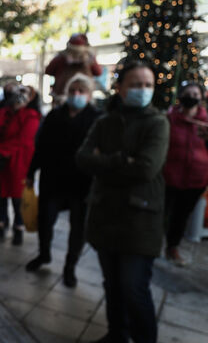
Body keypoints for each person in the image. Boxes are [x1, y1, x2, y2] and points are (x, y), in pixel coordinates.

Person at [76, 61, 168, 343]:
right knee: (113, 284)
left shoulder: (157, 122)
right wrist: (120, 160)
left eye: (148, 85)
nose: (142, 90)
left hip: (140, 219)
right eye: (136, 84)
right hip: (106, 214)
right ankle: (117, 334)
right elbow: (83, 158)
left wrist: (105, 162)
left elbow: (146, 168)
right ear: (120, 88)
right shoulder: (105, 121)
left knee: (133, 287)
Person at [25, 74, 101, 287]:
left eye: (81, 91)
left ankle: (70, 267)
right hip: (53, 179)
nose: (76, 94)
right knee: (45, 220)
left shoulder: (96, 118)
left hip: (81, 183)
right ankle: (44, 254)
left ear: (88, 94)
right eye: (73, 90)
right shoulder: (54, 116)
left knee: (78, 228)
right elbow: (41, 147)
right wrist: (31, 172)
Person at [0, 84, 41, 245]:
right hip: (0, 164)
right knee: (0, 196)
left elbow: (23, 140)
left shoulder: (31, 116)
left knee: (18, 200)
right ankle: (0, 226)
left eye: (26, 93)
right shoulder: (2, 112)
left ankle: (18, 228)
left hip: (18, 165)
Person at [162, 81, 208, 266]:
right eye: (188, 93)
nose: (192, 97)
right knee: (162, 212)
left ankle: (172, 247)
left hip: (195, 179)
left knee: (181, 216)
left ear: (201, 97)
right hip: (169, 176)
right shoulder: (170, 118)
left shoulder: (205, 122)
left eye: (196, 94)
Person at [46, 33, 102, 103]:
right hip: (61, 97)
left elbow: (98, 72)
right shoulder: (61, 58)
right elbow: (48, 71)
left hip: (84, 98)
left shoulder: (89, 59)